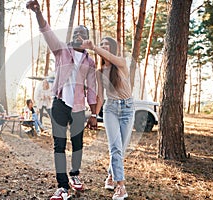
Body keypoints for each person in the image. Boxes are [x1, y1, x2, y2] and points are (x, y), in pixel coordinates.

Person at [27, 1, 98, 199]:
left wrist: (94, 114)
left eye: (82, 34)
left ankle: (75, 175)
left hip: (78, 108)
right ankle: (63, 187)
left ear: (87, 39)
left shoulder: (89, 62)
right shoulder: (61, 50)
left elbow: (92, 89)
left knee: (77, 145)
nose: (78, 35)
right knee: (59, 145)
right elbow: (46, 30)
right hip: (59, 104)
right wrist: (38, 12)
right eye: (76, 32)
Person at [81, 37, 135, 200]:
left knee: (121, 148)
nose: (104, 47)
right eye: (102, 44)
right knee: (115, 148)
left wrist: (94, 47)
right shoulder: (99, 71)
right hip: (110, 110)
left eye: (107, 45)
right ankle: (120, 186)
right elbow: (100, 96)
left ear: (112, 48)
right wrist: (94, 115)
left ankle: (111, 175)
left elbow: (110, 58)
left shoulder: (121, 63)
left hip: (127, 109)